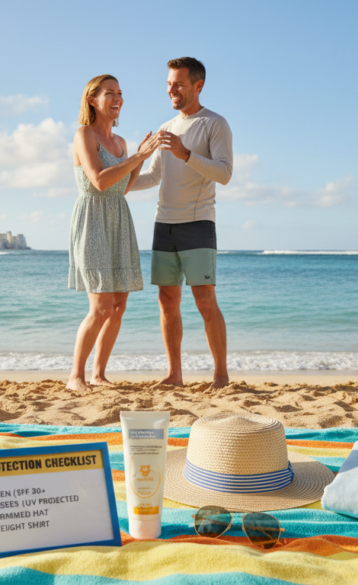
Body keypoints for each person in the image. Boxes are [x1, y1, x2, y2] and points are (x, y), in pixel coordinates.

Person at [130, 57, 233, 389]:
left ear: (197, 86)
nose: (171, 89)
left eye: (178, 84)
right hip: (164, 224)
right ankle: (175, 374)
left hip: (198, 222)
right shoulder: (166, 128)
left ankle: (220, 374)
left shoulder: (214, 124)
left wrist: (187, 154)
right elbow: (154, 176)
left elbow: (224, 173)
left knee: (205, 298)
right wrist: (124, 178)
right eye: (168, 84)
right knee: (166, 299)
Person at [67, 75, 160, 392]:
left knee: (119, 306)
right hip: (92, 220)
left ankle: (98, 374)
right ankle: (75, 376)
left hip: (119, 218)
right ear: (92, 99)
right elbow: (100, 181)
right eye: (110, 93)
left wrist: (139, 159)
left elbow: (123, 188)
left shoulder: (120, 143)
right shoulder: (84, 135)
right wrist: (138, 158)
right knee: (101, 307)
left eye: (120, 93)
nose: (118, 98)